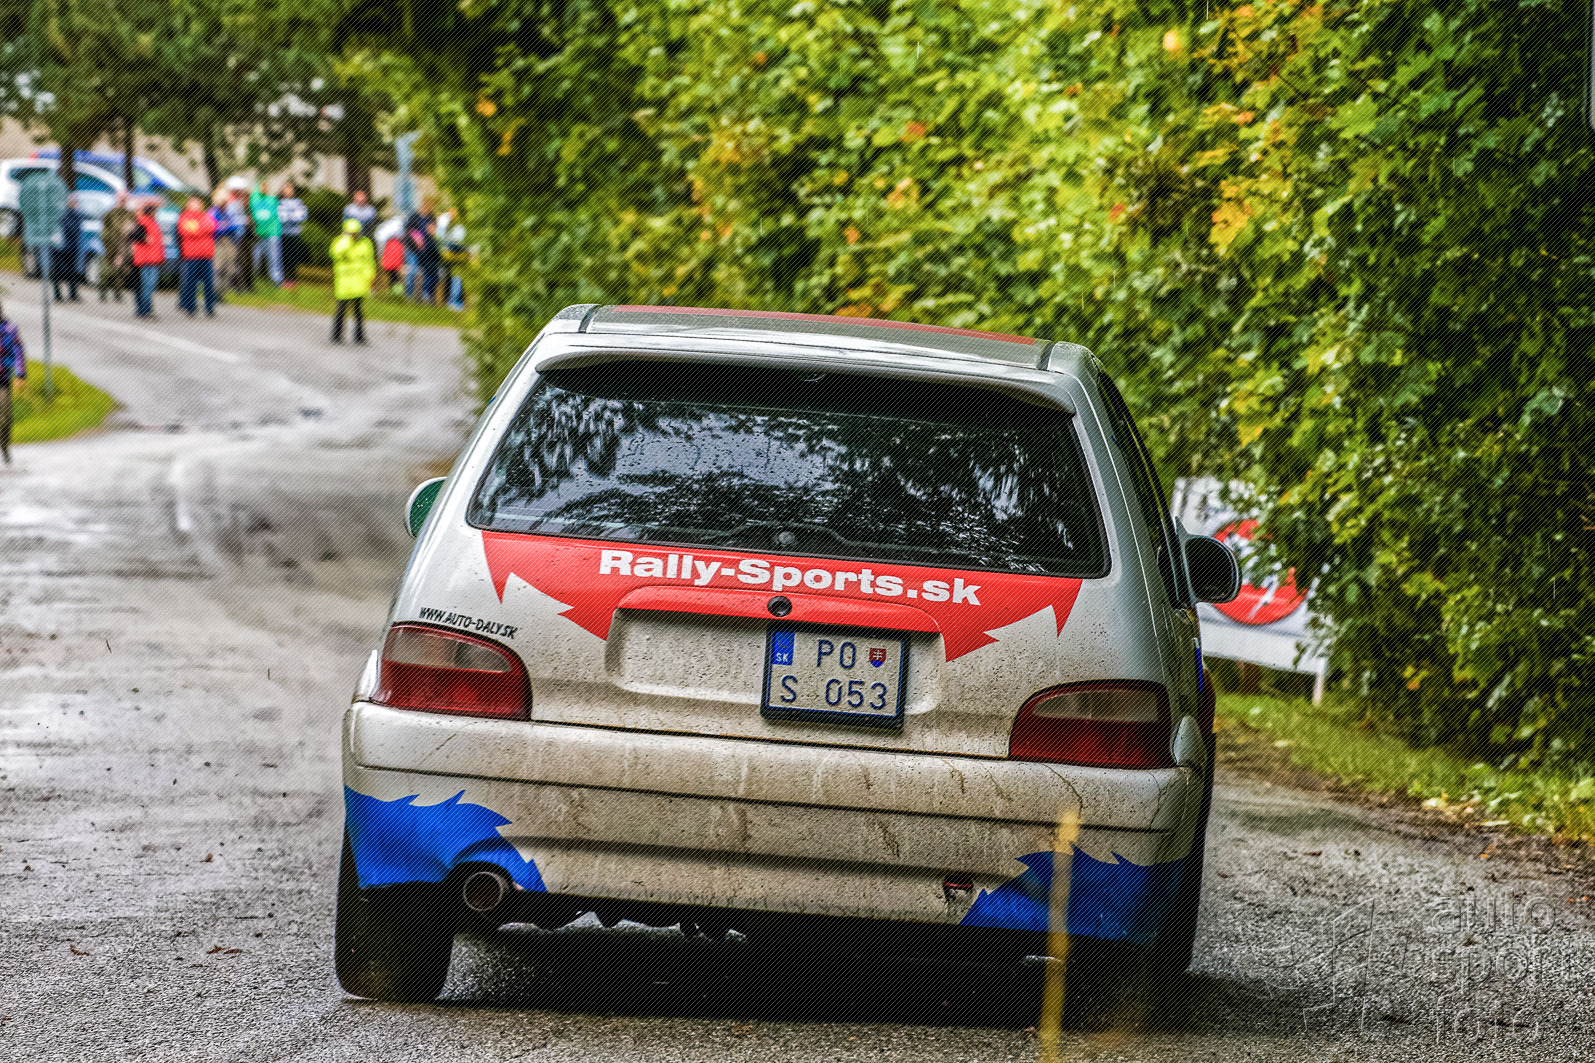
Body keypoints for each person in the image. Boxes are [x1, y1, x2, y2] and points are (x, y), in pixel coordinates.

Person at [329, 217, 375, 344]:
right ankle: (336, 335)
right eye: (350, 233)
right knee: (341, 309)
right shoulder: (339, 241)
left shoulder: (365, 243)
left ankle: (359, 336)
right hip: (344, 281)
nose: (353, 235)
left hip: (359, 281)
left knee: (358, 310)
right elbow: (336, 254)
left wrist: (370, 277)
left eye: (355, 233)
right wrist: (346, 241)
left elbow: (369, 261)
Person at [176, 196, 218, 317]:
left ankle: (209, 307)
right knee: (191, 282)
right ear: (189, 205)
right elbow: (186, 231)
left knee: (209, 282)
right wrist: (202, 230)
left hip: (207, 255)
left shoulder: (206, 216)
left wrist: (198, 230)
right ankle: (191, 307)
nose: (197, 206)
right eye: (194, 204)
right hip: (192, 256)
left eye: (198, 204)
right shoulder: (184, 217)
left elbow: (212, 226)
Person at [130, 199, 165, 319]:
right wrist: (145, 238)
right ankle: (144, 310)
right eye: (154, 211)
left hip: (153, 258)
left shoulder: (153, 222)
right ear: (150, 212)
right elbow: (133, 235)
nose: (156, 213)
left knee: (150, 285)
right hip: (146, 259)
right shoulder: (143, 222)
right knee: (147, 285)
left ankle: (147, 309)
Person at [99, 191, 136, 303]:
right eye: (121, 198)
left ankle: (118, 293)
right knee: (106, 271)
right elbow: (105, 229)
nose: (122, 201)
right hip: (110, 246)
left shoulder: (130, 214)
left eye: (124, 199)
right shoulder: (110, 213)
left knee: (120, 271)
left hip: (123, 247)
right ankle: (103, 292)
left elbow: (133, 230)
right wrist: (106, 242)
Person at [0, 298, 24, 466]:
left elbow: (18, 351)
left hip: (3, 381)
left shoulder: (9, 329)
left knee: (5, 418)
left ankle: (4, 446)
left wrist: (20, 374)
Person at [249, 180, 283, 286]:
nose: (263, 188)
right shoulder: (254, 199)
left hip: (272, 232)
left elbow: (274, 215)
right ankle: (252, 280)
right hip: (259, 234)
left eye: (265, 186)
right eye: (261, 186)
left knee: (274, 258)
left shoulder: (272, 199)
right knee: (255, 258)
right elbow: (253, 213)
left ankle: (276, 280)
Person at [52, 194, 85, 303]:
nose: (77, 204)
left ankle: (60, 294)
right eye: (75, 202)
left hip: (57, 247)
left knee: (58, 271)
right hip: (68, 247)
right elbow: (73, 230)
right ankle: (70, 294)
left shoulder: (59, 213)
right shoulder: (73, 214)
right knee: (70, 271)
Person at [277, 182, 308, 287]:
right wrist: (291, 216)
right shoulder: (279, 202)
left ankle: (293, 279)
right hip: (283, 233)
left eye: (290, 189)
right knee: (283, 256)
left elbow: (302, 215)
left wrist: (290, 216)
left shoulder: (298, 202)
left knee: (293, 256)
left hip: (294, 233)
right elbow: (280, 216)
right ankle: (284, 279)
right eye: (286, 189)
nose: (288, 191)